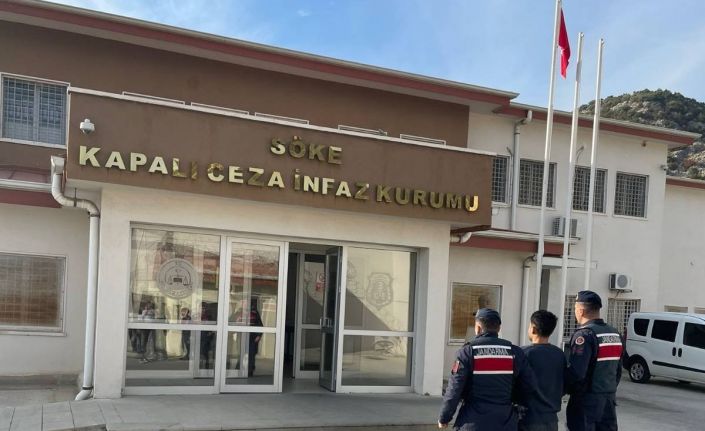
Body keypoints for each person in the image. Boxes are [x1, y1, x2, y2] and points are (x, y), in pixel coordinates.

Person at [438, 308, 539, 430]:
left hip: (473, 422)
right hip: (505, 422)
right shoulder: (514, 352)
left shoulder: (467, 352)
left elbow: (455, 389)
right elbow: (529, 386)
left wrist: (444, 417)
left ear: (478, 328)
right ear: (499, 328)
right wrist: (511, 402)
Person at [566, 291, 623, 431]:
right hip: (609, 400)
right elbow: (618, 370)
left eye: (575, 308)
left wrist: (566, 389)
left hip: (586, 402)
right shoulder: (615, 333)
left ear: (581, 311)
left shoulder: (584, 335)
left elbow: (577, 373)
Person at [518, 310, 567, 431]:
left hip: (528, 418)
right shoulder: (559, 354)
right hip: (551, 420)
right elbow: (565, 384)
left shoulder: (523, 354)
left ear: (533, 329)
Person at [232, 298, 264, 376]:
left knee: (251, 355)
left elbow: (260, 325)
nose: (245, 304)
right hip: (241, 337)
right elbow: (231, 322)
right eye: (243, 302)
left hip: (252, 338)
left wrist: (259, 335)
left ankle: (250, 371)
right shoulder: (238, 312)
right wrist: (236, 321)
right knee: (241, 354)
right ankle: (238, 369)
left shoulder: (254, 313)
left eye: (246, 302)